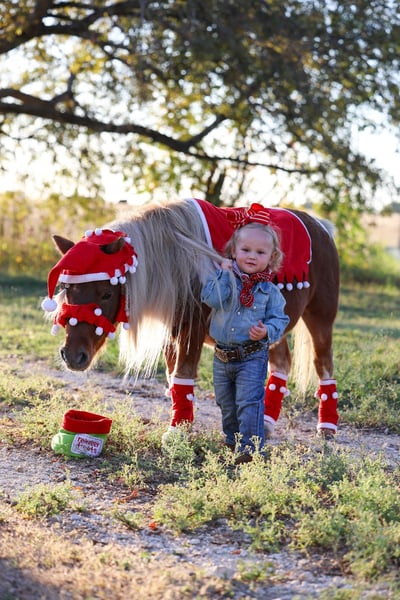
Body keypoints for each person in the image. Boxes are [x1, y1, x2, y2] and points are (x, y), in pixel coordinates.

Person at [201, 221, 289, 463]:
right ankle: (233, 441)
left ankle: (251, 449)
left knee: (249, 403)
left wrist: (266, 330)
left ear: (272, 257)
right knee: (226, 403)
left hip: (252, 356)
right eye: (246, 250)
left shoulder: (270, 292)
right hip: (222, 356)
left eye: (260, 252)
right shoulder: (224, 279)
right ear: (233, 251)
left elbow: (280, 319)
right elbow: (212, 299)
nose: (252, 256)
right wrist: (223, 273)